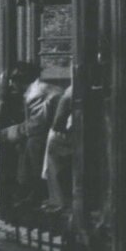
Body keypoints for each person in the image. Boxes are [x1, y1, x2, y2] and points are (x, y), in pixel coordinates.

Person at [0, 64, 52, 224]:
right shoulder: (36, 90)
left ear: (22, 81)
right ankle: (30, 191)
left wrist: (10, 133)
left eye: (14, 81)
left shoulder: (36, 93)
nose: (11, 85)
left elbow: (37, 125)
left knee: (33, 143)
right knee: (26, 144)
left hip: (62, 133)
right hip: (53, 131)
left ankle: (35, 190)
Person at [42, 75, 78, 216]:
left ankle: (59, 201)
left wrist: (59, 128)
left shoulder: (72, 89)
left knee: (53, 145)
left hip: (75, 136)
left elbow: (59, 121)